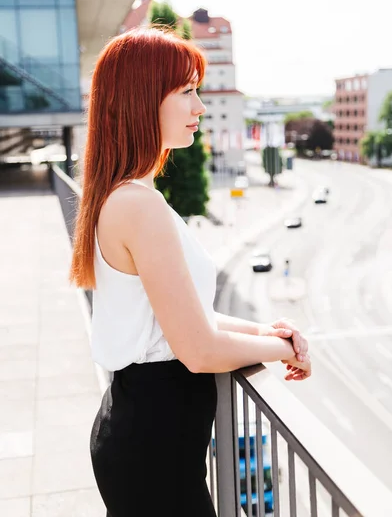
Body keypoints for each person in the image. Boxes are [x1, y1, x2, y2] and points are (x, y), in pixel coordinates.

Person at [69, 27, 311, 517]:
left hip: (145, 439)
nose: (200, 107)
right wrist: (285, 350)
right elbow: (198, 349)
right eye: (186, 92)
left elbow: (185, 315)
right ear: (143, 99)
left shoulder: (124, 195)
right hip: (153, 455)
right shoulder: (138, 205)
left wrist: (271, 331)